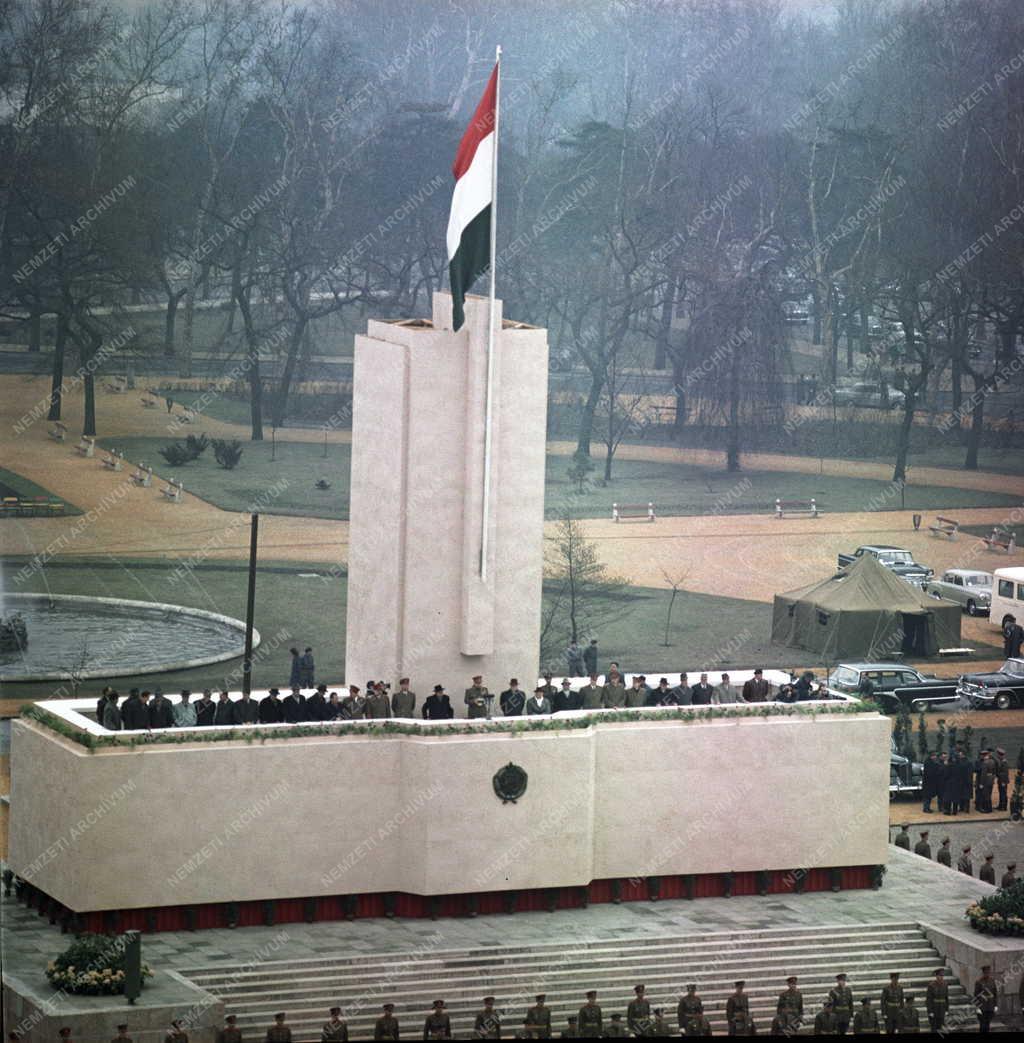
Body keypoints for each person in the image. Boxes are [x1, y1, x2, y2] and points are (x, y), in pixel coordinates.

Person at [974, 965, 997, 1033]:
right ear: (983, 972)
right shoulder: (978, 982)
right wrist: (977, 1007)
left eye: (988, 972)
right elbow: (976, 995)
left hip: (990, 1006)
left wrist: (995, 1005)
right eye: (986, 972)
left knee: (988, 1025)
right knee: (982, 1025)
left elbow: (995, 994)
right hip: (982, 1007)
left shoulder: (992, 981)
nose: (987, 974)